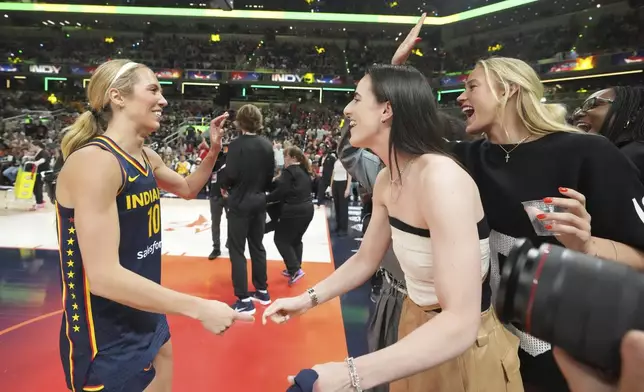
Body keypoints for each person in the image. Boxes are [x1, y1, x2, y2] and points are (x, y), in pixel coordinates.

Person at [263, 64, 522, 392]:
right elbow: (364, 260)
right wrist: (307, 299)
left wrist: (350, 374)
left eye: (356, 99)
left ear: (387, 110)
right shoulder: (388, 178)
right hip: (415, 326)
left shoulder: (441, 179)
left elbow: (460, 322)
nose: (346, 109)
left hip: (461, 347)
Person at [55, 59, 253, 392]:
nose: (163, 100)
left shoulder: (146, 157)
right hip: (106, 338)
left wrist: (215, 148)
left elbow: (189, 189)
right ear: (118, 97)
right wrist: (199, 307)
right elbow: (103, 278)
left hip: (146, 313)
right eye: (153, 90)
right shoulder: (95, 162)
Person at [453, 57, 644, 391]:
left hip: (568, 362)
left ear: (507, 89)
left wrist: (588, 246)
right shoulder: (466, 158)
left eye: (472, 86)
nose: (460, 96)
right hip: (491, 354)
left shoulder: (589, 153)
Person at [220, 104, 275, 315]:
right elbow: (270, 177)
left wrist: (224, 185)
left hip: (240, 203)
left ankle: (243, 298)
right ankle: (262, 290)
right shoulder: (267, 145)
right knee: (257, 245)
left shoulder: (236, 145)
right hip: (260, 201)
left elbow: (230, 174)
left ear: (240, 122)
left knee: (237, 250)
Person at [572, 86, 644, 182]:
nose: (577, 114)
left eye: (592, 104)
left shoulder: (634, 157)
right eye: (578, 108)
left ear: (633, 114)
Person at [266, 146, 315, 285]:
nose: (284, 159)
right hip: (307, 210)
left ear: (293, 158)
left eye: (286, 156)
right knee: (296, 240)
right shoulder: (304, 171)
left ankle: (295, 269)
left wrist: (265, 199)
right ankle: (295, 266)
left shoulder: (289, 171)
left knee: (281, 240)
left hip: (294, 211)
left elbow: (281, 191)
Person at [208, 148, 227, 260]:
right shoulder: (211, 160)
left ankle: (231, 243)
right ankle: (216, 247)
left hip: (228, 195)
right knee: (215, 223)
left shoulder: (229, 158)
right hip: (215, 195)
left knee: (233, 221)